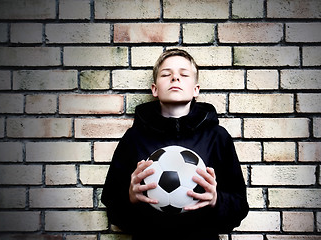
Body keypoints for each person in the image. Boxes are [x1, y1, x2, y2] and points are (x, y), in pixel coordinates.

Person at [101, 48, 249, 240]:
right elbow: (113, 209)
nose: (175, 78)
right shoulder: (134, 138)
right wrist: (130, 198)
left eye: (184, 74)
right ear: (154, 89)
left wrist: (216, 200)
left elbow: (239, 209)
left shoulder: (217, 137)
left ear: (196, 89)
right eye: (166, 74)